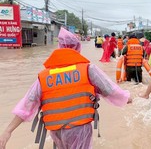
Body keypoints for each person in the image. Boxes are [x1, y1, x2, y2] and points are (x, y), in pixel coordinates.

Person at [0, 28, 132, 149]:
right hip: (79, 128)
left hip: (56, 131)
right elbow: (110, 90)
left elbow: (28, 103)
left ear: (59, 48)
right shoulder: (87, 69)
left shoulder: (45, 75)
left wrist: (8, 131)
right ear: (78, 47)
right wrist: (127, 97)